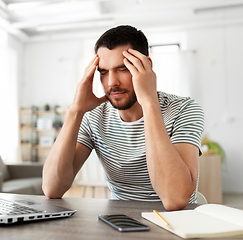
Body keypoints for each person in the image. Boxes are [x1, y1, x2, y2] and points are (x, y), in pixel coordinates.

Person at [42, 25, 204, 211]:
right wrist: (75, 111)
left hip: (177, 225)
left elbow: (174, 199)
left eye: (122, 69)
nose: (112, 83)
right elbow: (52, 188)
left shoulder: (183, 109)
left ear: (146, 66)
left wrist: (149, 103)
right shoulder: (94, 117)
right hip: (121, 224)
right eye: (103, 72)